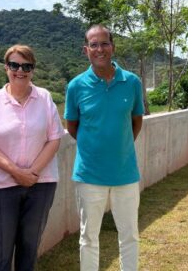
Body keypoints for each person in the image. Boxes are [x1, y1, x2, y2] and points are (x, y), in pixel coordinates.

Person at [0, 44, 65, 271]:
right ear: (6, 67)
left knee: (29, 247)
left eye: (26, 66)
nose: (20, 70)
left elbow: (54, 138)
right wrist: (17, 173)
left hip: (40, 185)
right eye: (14, 65)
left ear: (33, 69)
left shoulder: (44, 98)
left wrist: (32, 173)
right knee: (0, 250)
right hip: (1, 186)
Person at [64, 24, 144, 271]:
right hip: (89, 175)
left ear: (113, 47)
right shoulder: (76, 86)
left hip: (125, 174)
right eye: (94, 44)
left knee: (129, 234)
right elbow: (73, 126)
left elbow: (136, 121)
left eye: (104, 43)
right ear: (85, 49)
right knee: (89, 238)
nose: (100, 49)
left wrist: (118, 149)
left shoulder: (132, 82)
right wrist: (95, 150)